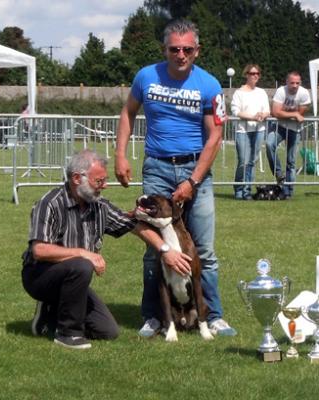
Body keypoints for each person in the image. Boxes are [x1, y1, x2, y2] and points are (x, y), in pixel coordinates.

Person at [115, 19, 236, 338]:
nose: (180, 54)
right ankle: (153, 317)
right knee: (153, 248)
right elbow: (128, 113)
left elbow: (215, 136)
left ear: (197, 50)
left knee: (204, 250)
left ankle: (213, 315)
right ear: (164, 49)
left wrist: (193, 181)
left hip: (195, 171)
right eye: (174, 49)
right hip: (156, 168)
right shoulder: (146, 76)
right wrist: (120, 155)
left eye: (187, 49)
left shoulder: (210, 85)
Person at [21, 149, 192, 350]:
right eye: (99, 181)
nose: (105, 186)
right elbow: (39, 250)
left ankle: (52, 311)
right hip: (40, 276)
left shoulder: (99, 206)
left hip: (73, 279)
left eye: (105, 180)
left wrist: (165, 250)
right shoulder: (49, 203)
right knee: (82, 264)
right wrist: (85, 253)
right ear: (77, 179)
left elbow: (135, 226)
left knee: (108, 331)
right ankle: (68, 334)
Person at [266, 71, 311, 198]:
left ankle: (288, 191)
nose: (295, 85)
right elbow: (275, 112)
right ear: (287, 82)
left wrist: (287, 112)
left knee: (291, 161)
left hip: (294, 130)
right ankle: (279, 174)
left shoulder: (304, 93)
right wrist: (294, 113)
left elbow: (300, 113)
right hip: (279, 127)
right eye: (292, 83)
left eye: (297, 83)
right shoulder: (281, 91)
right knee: (269, 145)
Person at [230, 64, 270, 200]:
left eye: (257, 73)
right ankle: (238, 188)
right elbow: (236, 111)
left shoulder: (262, 92)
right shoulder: (238, 93)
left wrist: (263, 115)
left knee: (252, 161)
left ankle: (247, 191)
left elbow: (267, 110)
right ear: (246, 74)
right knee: (243, 161)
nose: (255, 76)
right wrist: (252, 117)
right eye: (252, 73)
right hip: (243, 131)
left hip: (259, 130)